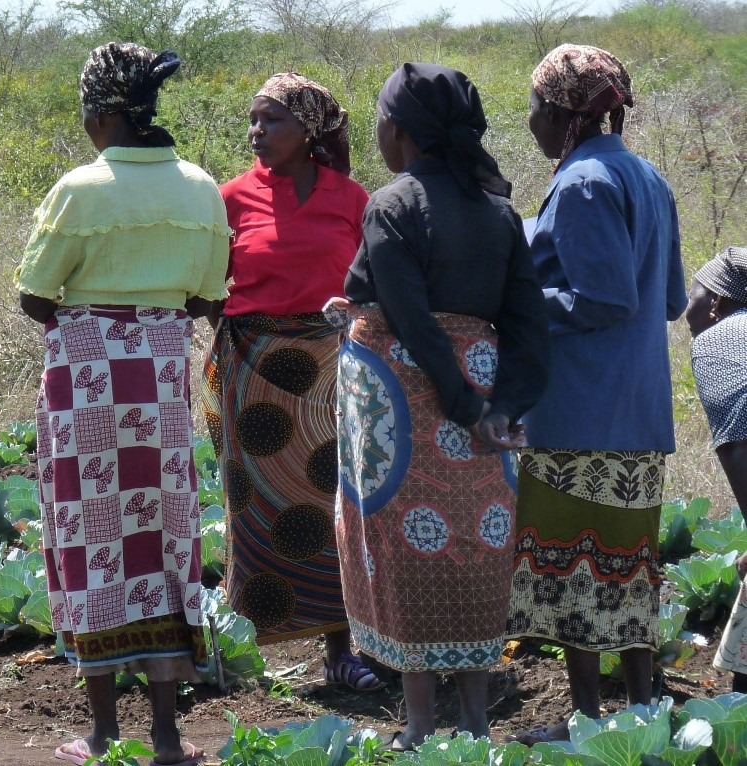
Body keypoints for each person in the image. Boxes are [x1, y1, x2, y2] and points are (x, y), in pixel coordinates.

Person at [16, 42, 229, 766]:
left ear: (104, 114)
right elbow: (209, 296)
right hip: (163, 380)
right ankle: (168, 735)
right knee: (165, 534)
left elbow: (33, 295)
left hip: (84, 383)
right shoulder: (201, 187)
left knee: (89, 534)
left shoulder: (79, 189)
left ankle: (105, 735)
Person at [332, 62, 549, 749]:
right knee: (478, 546)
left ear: (395, 130)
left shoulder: (390, 205)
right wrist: (502, 405)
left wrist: (456, 402)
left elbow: (409, 317)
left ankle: (421, 723)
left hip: (410, 399)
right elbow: (526, 323)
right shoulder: (495, 210)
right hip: (481, 400)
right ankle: (478, 721)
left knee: (408, 547)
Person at [505, 44, 687, 743]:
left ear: (562, 113)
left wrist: (521, 298)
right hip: (636, 411)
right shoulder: (647, 177)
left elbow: (599, 297)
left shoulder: (580, 183)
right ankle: (640, 714)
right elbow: (665, 299)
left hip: (577, 413)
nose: (529, 124)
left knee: (570, 570)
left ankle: (585, 723)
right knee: (626, 573)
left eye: (533, 109)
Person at [201, 72, 381, 691]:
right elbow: (207, 286)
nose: (257, 132)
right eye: (253, 120)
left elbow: (370, 282)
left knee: (334, 501)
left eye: (272, 119)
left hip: (331, 368)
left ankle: (340, 650)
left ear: (309, 129)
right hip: (254, 372)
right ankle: (244, 648)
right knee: (255, 505)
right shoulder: (231, 198)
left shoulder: (351, 199)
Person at [686, 247, 747, 691]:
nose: (684, 306)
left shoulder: (719, 341)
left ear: (716, 301)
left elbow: (739, 446)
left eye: (694, 291)